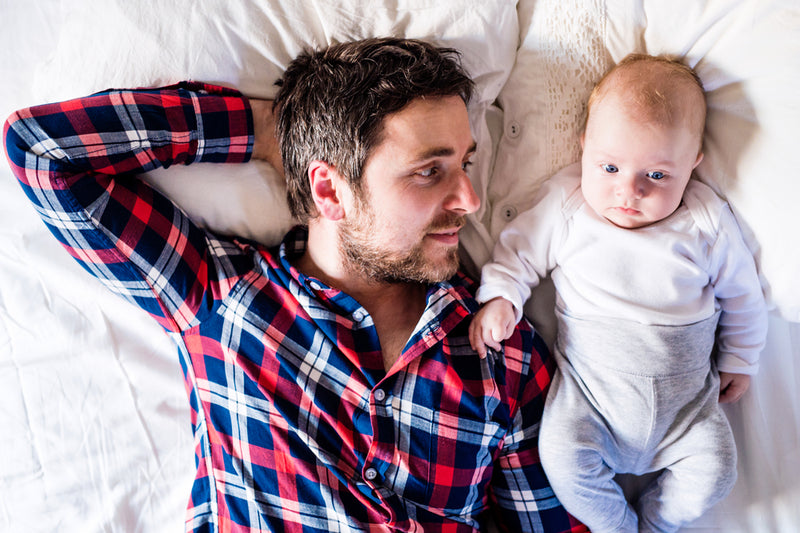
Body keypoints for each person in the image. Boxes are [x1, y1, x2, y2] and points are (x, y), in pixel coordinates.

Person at [4, 37, 587, 533]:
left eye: (465, 163)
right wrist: (270, 131)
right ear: (329, 190)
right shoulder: (220, 299)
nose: (470, 200)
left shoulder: (502, 349)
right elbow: (42, 151)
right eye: (429, 171)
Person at [468, 54, 768, 532]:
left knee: (716, 471)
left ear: (693, 163)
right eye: (609, 167)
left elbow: (743, 297)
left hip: (687, 413)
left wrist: (741, 357)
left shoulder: (705, 221)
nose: (629, 191)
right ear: (584, 145)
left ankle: (658, 522)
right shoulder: (568, 206)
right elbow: (518, 252)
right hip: (590, 404)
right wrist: (502, 297)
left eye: (657, 175)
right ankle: (616, 526)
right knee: (561, 458)